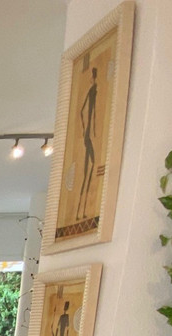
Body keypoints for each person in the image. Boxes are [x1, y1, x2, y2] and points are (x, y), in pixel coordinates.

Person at [76, 65, 99, 221]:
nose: (92, 79)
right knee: (88, 169)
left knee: (90, 168)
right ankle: (80, 210)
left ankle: (81, 210)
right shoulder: (92, 90)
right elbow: (82, 111)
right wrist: (86, 130)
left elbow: (89, 112)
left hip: (89, 135)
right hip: (88, 136)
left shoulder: (95, 89)